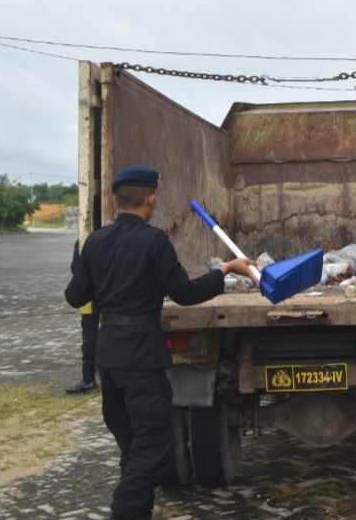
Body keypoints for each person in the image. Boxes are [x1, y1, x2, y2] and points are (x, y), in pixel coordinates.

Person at [64, 166, 258, 520]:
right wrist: (226, 269)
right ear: (150, 198)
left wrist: (82, 262)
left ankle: (137, 510)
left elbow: (75, 297)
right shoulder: (155, 243)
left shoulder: (94, 242)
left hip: (109, 358)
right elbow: (185, 293)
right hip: (143, 358)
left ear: (116, 200)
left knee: (132, 445)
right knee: (151, 447)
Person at [66, 239, 101, 394]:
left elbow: (75, 268)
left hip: (89, 294)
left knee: (89, 336)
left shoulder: (83, 241)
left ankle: (88, 379)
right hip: (111, 293)